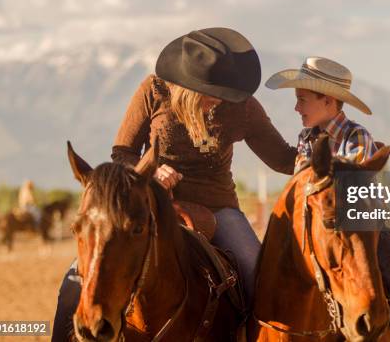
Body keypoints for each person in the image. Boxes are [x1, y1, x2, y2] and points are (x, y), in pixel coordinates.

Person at [52, 27, 297, 341]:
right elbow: (122, 153)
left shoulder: (243, 107)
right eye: (214, 93)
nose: (221, 100)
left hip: (219, 208)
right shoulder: (153, 92)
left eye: (226, 93)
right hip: (150, 208)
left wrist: (326, 152)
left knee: (259, 280)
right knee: (76, 281)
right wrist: (151, 175)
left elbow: (281, 158)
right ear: (190, 86)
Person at [266, 56, 390, 342]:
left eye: (302, 99)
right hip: (327, 233)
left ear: (327, 100)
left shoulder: (356, 136)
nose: (296, 107)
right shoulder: (306, 138)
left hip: (363, 233)